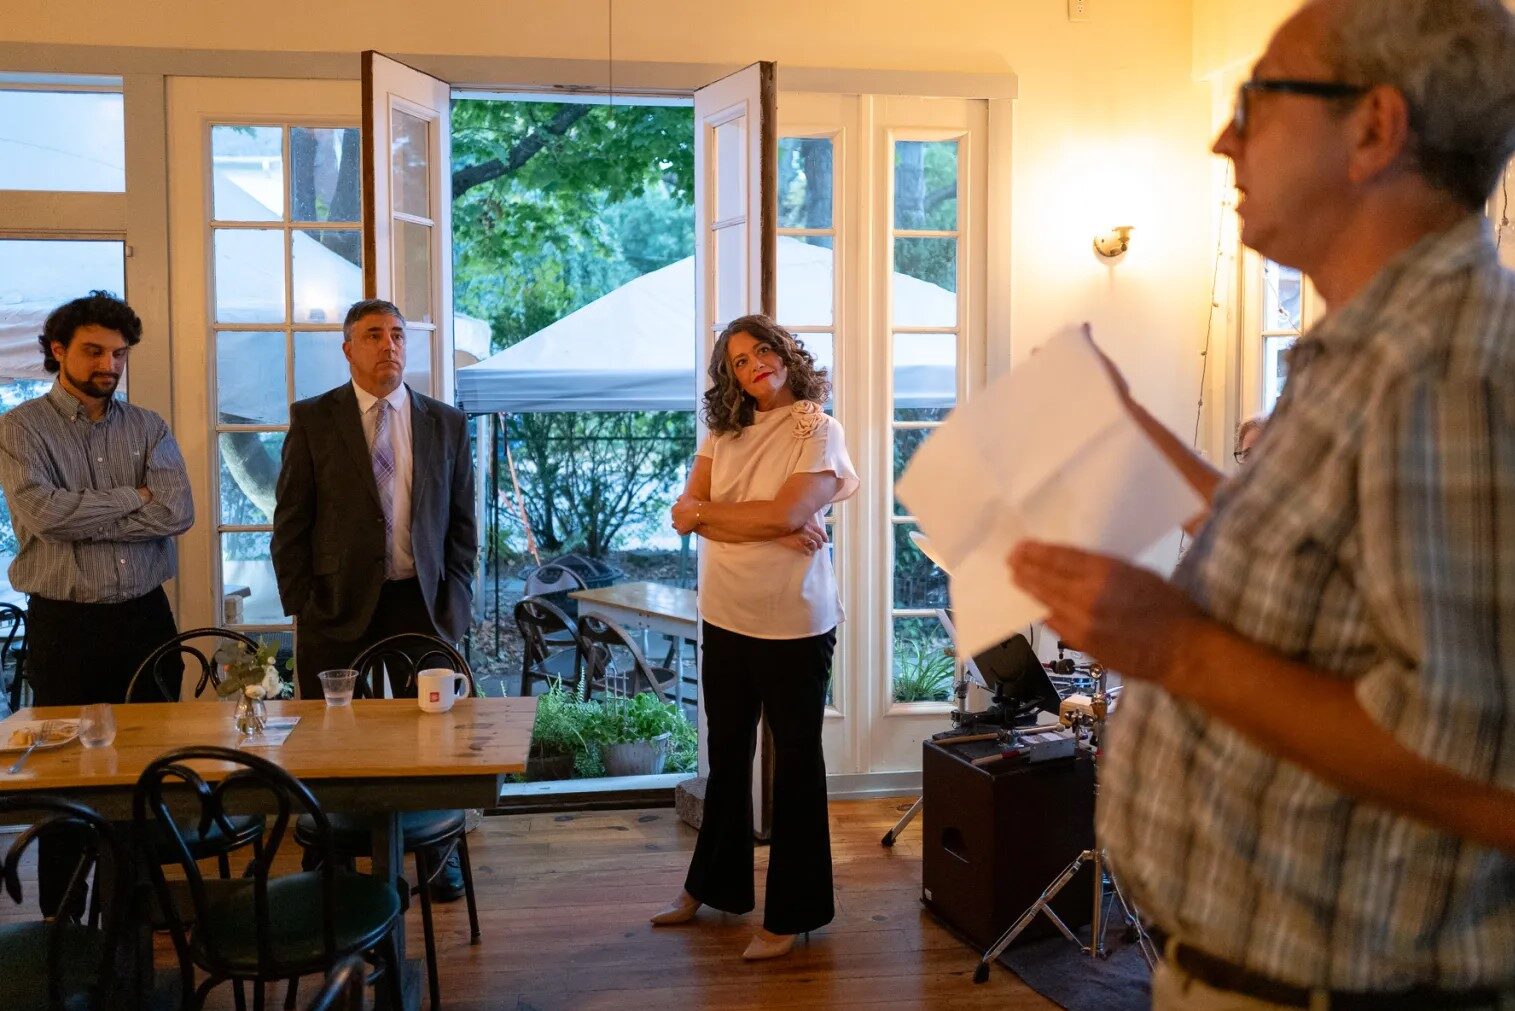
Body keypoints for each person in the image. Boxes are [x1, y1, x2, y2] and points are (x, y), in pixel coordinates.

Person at [1009, 2, 1515, 1008]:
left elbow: (1489, 779)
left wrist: (1175, 648)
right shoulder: (1363, 351)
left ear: (1373, 129)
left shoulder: (1448, 369)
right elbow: (1300, 548)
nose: (1220, 137)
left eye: (1255, 101)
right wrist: (1122, 422)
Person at [652, 313, 858, 961]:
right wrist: (763, 521)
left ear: (784, 354)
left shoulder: (817, 428)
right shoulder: (723, 428)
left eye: (761, 351)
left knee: (796, 765)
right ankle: (710, 886)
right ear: (729, 375)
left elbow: (785, 511)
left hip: (793, 618)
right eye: (738, 360)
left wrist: (756, 517)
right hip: (726, 610)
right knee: (727, 754)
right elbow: (685, 512)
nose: (752, 366)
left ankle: (791, 914)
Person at [271, 297, 476, 900]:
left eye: (397, 335)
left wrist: (456, 600)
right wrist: (302, 603)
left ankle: (439, 856)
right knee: (331, 735)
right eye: (373, 335)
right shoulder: (314, 419)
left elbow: (462, 523)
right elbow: (291, 521)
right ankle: (330, 852)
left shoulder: (445, 421)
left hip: (422, 600)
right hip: (337, 604)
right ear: (347, 349)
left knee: (435, 735)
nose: (389, 346)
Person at [0, 290, 193, 915]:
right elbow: (42, 514)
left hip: (145, 621)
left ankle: (136, 910)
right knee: (64, 777)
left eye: (118, 352)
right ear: (58, 351)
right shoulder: (20, 428)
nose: (108, 364)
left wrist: (93, 507)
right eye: (93, 351)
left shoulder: (149, 427)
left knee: (150, 769)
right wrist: (131, 497)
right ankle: (63, 920)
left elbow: (178, 511)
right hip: (65, 626)